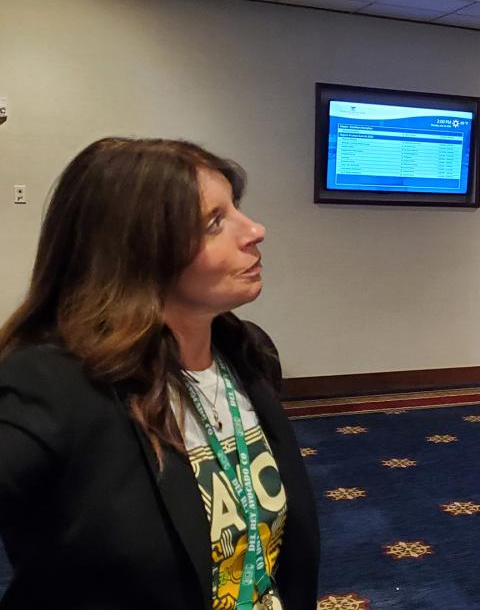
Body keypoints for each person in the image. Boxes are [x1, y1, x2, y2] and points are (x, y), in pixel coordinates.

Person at [0, 138, 320, 609]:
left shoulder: (246, 352)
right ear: (135, 252)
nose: (255, 230)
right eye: (215, 223)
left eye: (236, 209)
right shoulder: (51, 386)